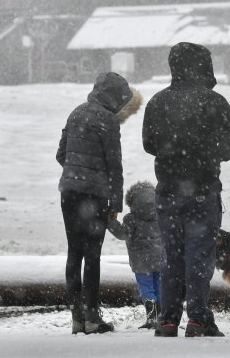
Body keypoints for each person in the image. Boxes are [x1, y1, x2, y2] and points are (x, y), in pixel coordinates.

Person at [142, 42, 230, 338]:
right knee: (199, 257)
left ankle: (168, 320)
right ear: (203, 66)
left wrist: (173, 152)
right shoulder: (215, 102)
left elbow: (149, 144)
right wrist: (205, 152)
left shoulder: (157, 102)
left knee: (171, 256)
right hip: (203, 190)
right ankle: (198, 319)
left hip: (167, 192)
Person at [57, 72, 142, 334]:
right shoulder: (108, 120)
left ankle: (76, 318)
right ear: (114, 96)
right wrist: (114, 202)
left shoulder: (76, 113)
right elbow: (114, 166)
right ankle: (93, 317)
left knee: (74, 253)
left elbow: (61, 154)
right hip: (94, 196)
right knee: (92, 256)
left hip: (69, 191)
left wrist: (77, 172)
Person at [107, 180, 162, 329]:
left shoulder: (131, 219)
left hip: (141, 263)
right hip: (159, 259)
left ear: (131, 201)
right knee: (159, 286)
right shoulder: (160, 216)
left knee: (146, 288)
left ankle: (152, 318)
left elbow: (122, 234)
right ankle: (161, 316)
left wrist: (111, 222)